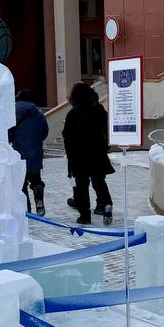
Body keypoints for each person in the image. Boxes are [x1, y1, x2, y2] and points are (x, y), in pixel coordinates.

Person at [62, 82, 114, 225]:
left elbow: (68, 137)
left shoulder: (73, 113)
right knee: (99, 181)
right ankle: (106, 204)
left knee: (81, 185)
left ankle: (85, 215)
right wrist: (104, 147)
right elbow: (107, 130)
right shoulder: (98, 110)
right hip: (97, 152)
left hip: (80, 155)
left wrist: (70, 157)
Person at [10, 89, 48, 216]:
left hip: (18, 151)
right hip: (35, 151)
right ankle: (39, 202)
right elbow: (44, 132)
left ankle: (26, 209)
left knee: (21, 182)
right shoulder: (38, 113)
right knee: (36, 179)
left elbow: (8, 132)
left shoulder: (12, 112)